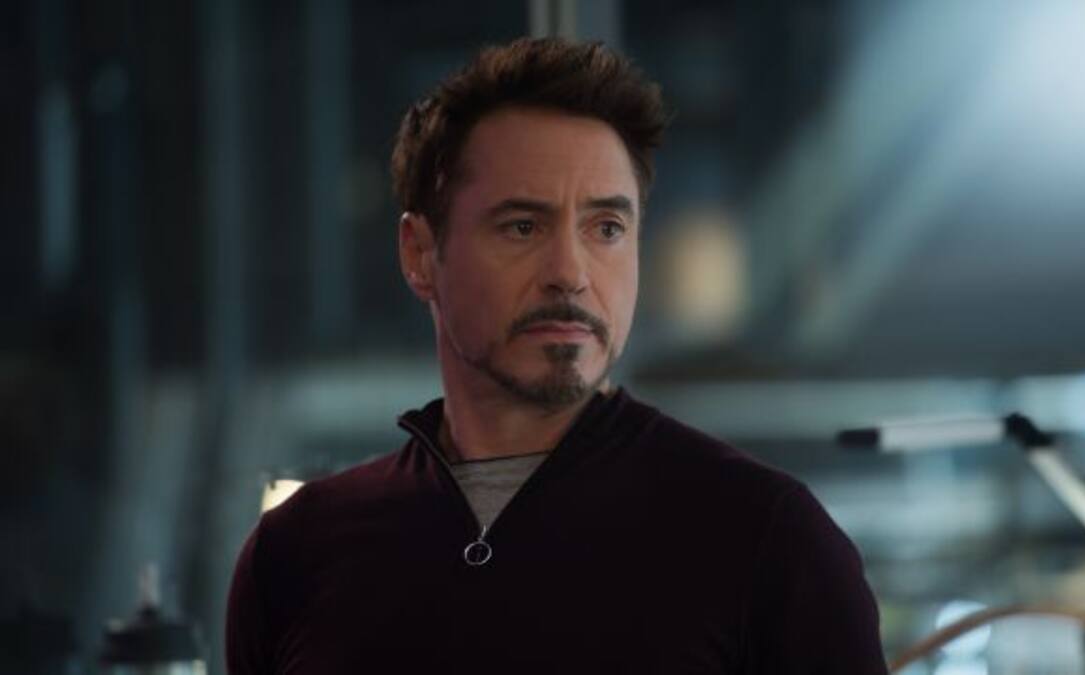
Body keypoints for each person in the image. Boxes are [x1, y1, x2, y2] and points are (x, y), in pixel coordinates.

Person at [225, 37, 887, 674]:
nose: (570, 273)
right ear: (420, 254)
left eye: (607, 228)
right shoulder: (297, 553)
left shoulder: (765, 540)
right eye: (522, 226)